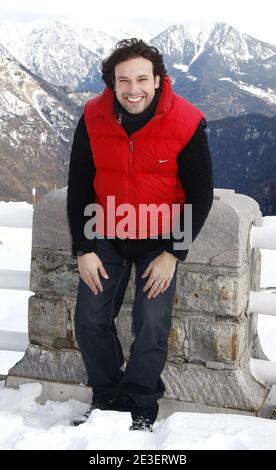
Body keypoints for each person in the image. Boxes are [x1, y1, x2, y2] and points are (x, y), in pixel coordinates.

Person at [67, 38, 214, 432]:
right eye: (124, 80)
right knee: (89, 320)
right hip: (107, 235)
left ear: (158, 79)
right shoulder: (93, 117)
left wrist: (173, 253)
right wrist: (84, 248)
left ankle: (141, 404)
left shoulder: (185, 120)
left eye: (141, 79)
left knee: (151, 324)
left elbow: (200, 195)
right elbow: (79, 184)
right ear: (112, 83)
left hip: (161, 240)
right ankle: (107, 396)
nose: (133, 89)